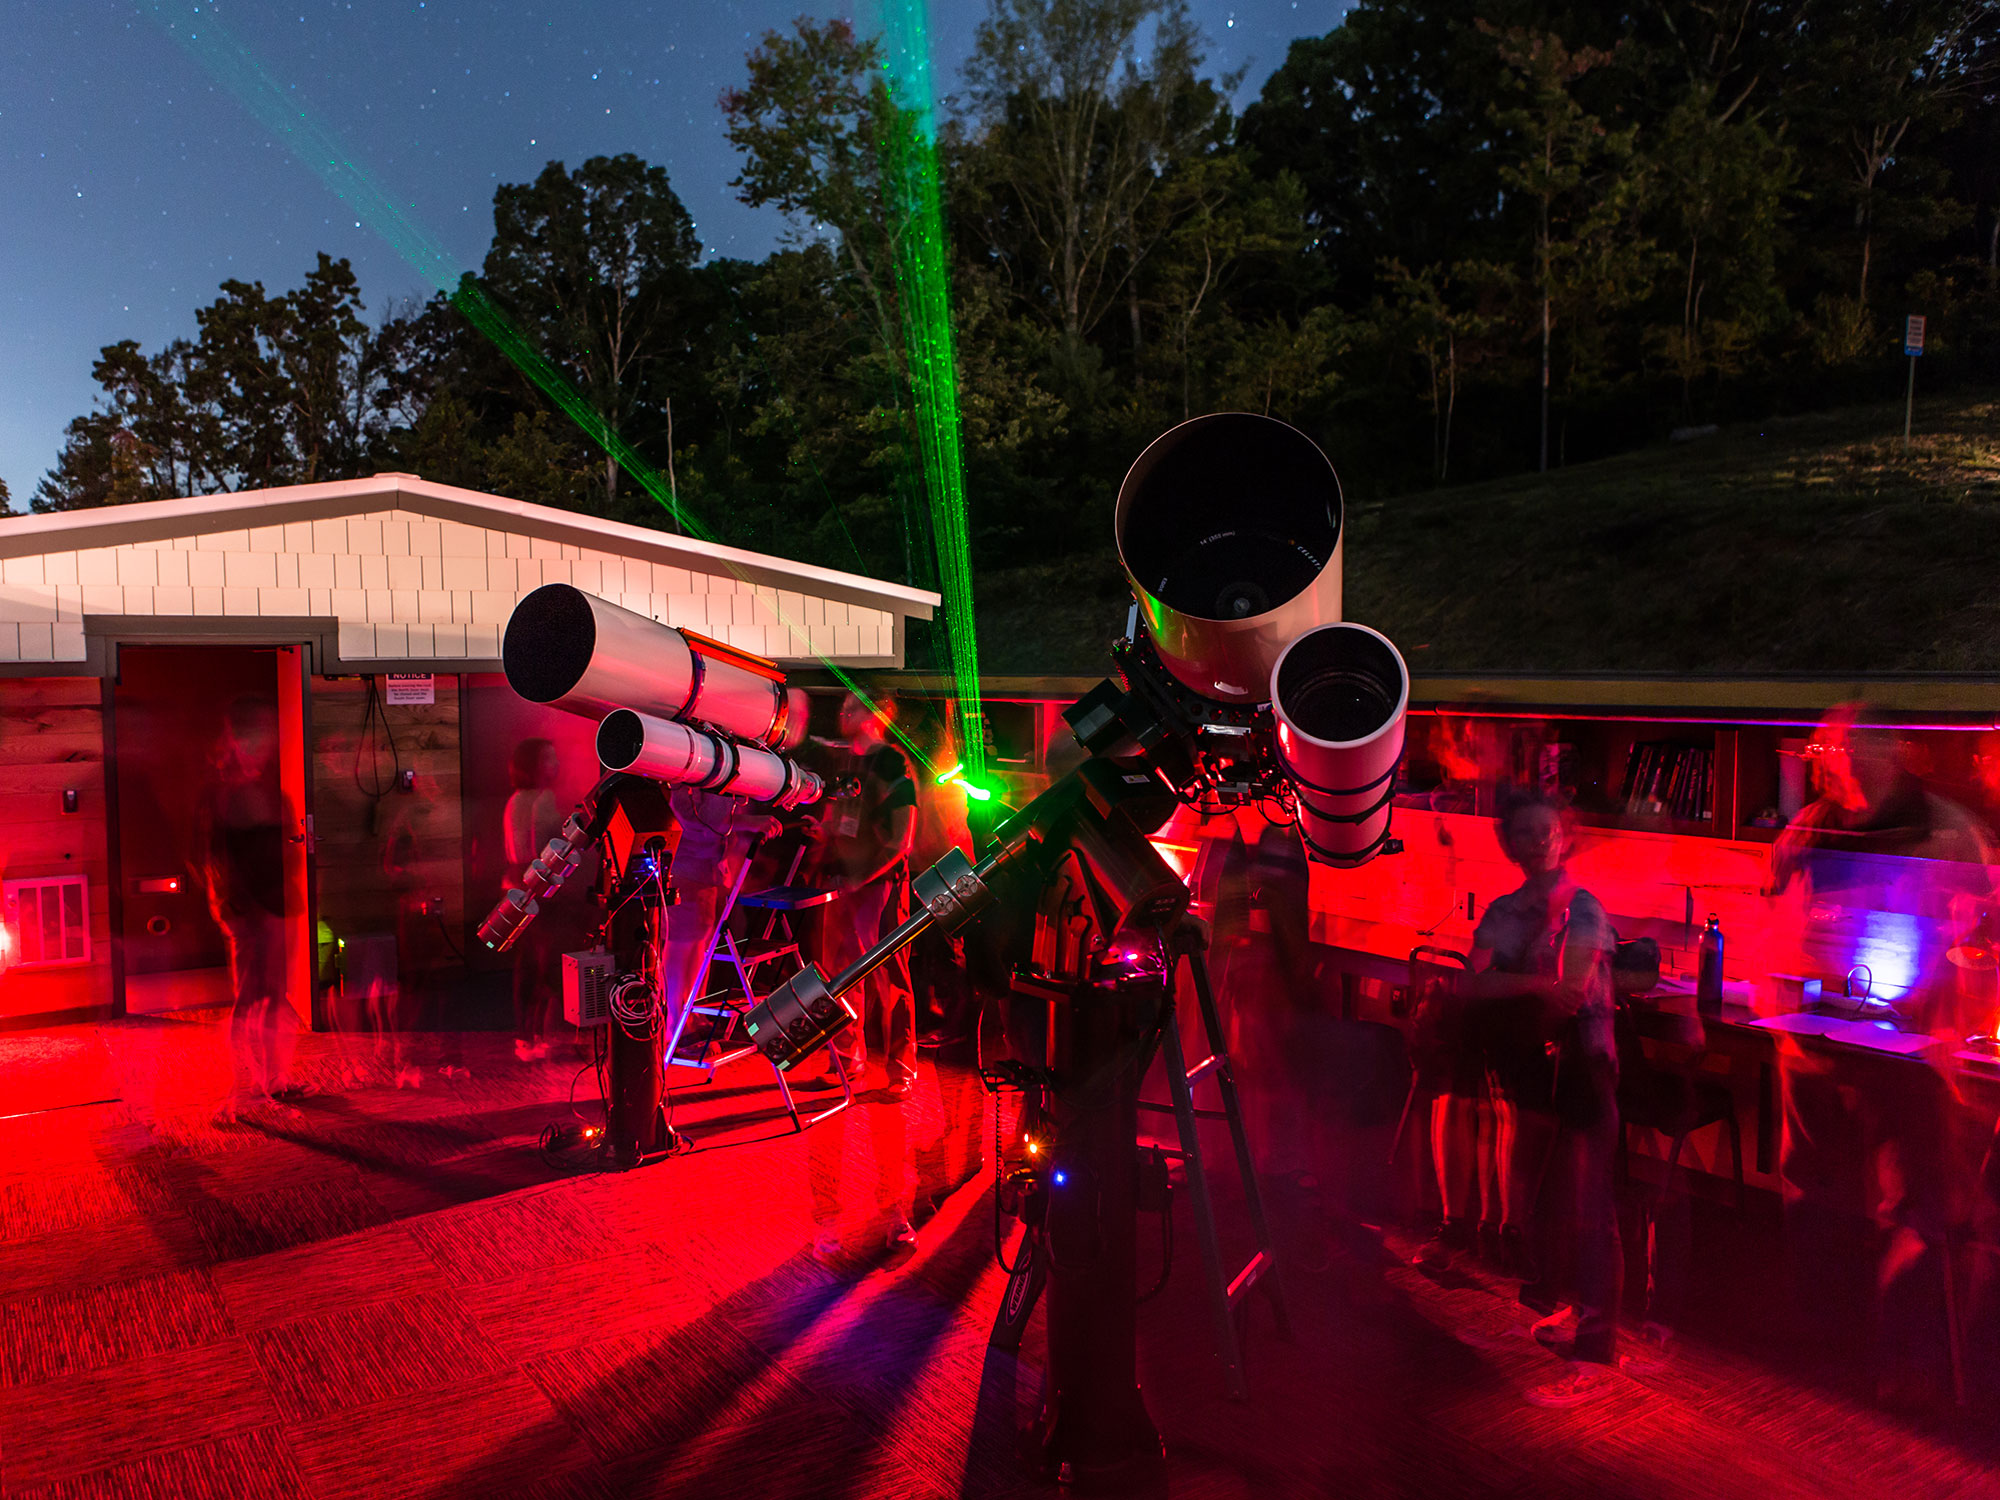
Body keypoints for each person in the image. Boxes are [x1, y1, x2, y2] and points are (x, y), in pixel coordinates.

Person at [1765, 703, 1996, 1405]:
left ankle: (1904, 1358)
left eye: (1845, 747)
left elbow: (1986, 927)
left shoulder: (1950, 832)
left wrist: (1958, 1022)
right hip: (1813, 1039)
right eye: (1824, 749)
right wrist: (1775, 1014)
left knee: (1917, 1202)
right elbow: (1773, 913)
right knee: (1812, 1187)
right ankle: (1824, 1341)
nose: (1831, 760)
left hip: (1911, 1047)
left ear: (1890, 750)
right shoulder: (1806, 829)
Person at [1457, 788, 1622, 1406]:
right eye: (1524, 832)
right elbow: (1473, 982)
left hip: (1585, 1063)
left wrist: (1510, 983)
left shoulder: (1583, 909)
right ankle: (1578, 1310)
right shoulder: (1505, 909)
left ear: (1564, 836)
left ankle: (1596, 1356)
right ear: (1510, 843)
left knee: (1591, 1204)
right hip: (1535, 1066)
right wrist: (1529, 983)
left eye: (1545, 830)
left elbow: (1571, 992)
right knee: (1551, 1198)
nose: (1536, 841)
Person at [799, 692, 921, 1104]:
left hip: (879, 885)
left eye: (853, 708)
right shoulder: (848, 761)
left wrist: (864, 876)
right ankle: (848, 1058)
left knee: (889, 975)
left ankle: (902, 1068)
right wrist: (824, 836)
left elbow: (902, 838)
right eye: (843, 707)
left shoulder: (892, 762)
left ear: (877, 715)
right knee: (840, 973)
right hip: (845, 882)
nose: (843, 714)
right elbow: (844, 815)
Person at [196, 694, 300, 1123]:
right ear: (235, 739)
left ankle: (274, 1082)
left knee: (274, 999)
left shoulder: (263, 788)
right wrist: (232, 910)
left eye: (269, 731)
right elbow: (211, 858)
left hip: (274, 905)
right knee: (246, 1004)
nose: (267, 740)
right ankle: (236, 1093)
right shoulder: (222, 794)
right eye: (255, 732)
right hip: (249, 910)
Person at [504, 738, 565, 1062]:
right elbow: (539, 851)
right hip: (537, 890)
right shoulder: (543, 799)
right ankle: (538, 1035)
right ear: (532, 765)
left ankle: (526, 1035)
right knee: (544, 963)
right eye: (547, 758)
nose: (554, 765)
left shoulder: (515, 799)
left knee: (527, 964)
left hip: (516, 888)